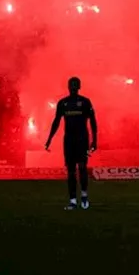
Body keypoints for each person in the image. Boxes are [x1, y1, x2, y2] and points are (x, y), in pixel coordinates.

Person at [44, 77, 97, 210]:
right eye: (71, 85)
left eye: (75, 85)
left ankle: (84, 196)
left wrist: (94, 140)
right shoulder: (63, 103)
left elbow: (93, 121)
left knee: (83, 167)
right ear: (68, 87)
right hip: (69, 140)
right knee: (71, 170)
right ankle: (73, 200)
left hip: (82, 139)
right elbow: (56, 121)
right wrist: (49, 138)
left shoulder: (85, 102)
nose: (73, 87)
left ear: (79, 86)